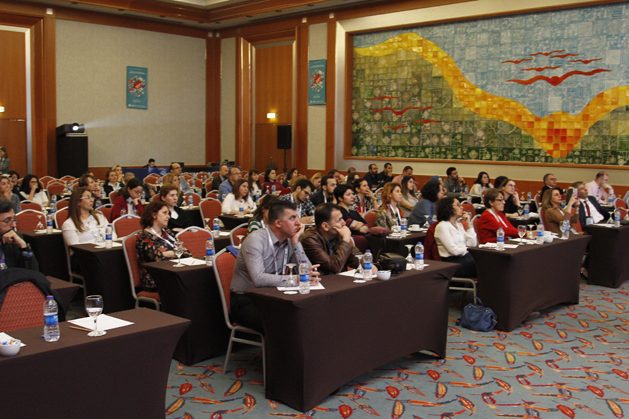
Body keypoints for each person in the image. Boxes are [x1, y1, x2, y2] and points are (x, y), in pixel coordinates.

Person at [230, 201, 319, 332]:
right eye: (292, 218)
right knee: (289, 321)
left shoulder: (290, 239)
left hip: (275, 296)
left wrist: (296, 243)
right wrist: (297, 279)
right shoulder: (255, 240)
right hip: (247, 300)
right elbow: (259, 279)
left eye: (297, 217)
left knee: (311, 311)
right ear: (278, 223)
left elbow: (306, 271)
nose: (298, 223)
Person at [136, 202, 189, 292]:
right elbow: (157, 257)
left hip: (173, 271)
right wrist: (174, 253)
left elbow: (186, 252)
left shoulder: (167, 232)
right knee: (185, 284)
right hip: (155, 278)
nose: (168, 216)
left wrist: (168, 253)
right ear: (154, 215)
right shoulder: (143, 236)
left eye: (168, 213)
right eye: (164, 213)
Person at [301, 203, 361, 275]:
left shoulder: (337, 234)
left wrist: (365, 264)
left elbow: (353, 261)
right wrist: (345, 240)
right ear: (325, 226)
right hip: (321, 280)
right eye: (339, 220)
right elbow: (335, 267)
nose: (344, 223)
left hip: (337, 279)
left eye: (342, 218)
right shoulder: (310, 239)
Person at [434, 197, 477, 278]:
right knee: (486, 267)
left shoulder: (459, 225)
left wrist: (469, 224)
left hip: (465, 259)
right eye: (458, 205)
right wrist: (466, 248)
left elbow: (472, 244)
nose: (462, 207)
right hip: (453, 263)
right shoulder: (442, 226)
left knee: (489, 265)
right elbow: (454, 251)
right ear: (448, 208)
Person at [0, 199, 38, 269]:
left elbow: (33, 271)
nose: (14, 225)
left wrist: (23, 247)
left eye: (14, 219)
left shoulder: (14, 238)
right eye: (7, 221)